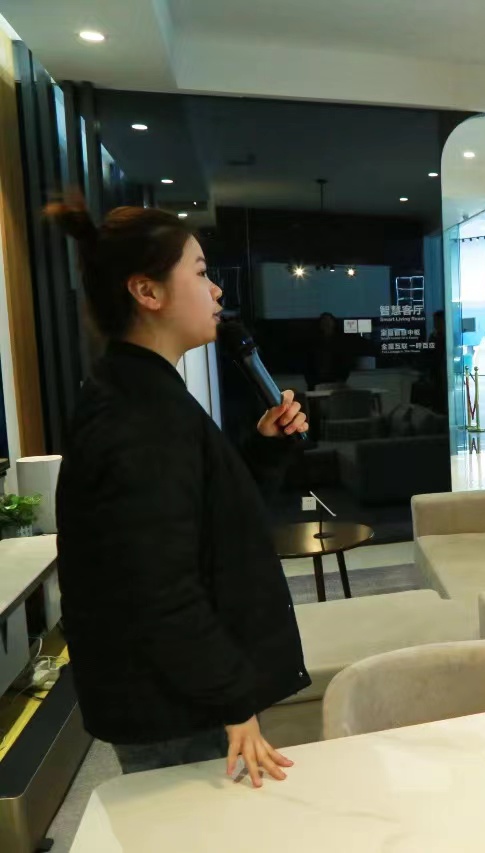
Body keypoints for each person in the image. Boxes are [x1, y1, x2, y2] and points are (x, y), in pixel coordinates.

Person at [50, 203, 311, 785]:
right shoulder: (137, 415)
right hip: (176, 702)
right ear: (147, 291)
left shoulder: (145, 393)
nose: (216, 290)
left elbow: (204, 525)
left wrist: (263, 450)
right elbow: (156, 586)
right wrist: (233, 700)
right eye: (199, 272)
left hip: (180, 691)